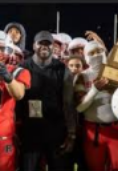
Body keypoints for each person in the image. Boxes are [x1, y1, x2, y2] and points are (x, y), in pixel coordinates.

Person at [16, 30, 77, 171]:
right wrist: (15, 131)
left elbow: (68, 103)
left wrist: (71, 134)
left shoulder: (63, 69)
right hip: (30, 132)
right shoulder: (22, 67)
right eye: (40, 43)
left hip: (55, 131)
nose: (44, 46)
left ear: (53, 47)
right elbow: (16, 103)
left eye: (48, 43)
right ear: (33, 45)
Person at [74, 39, 118, 171]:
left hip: (117, 128)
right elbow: (79, 107)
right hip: (94, 131)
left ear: (105, 52)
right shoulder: (82, 77)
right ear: (86, 57)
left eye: (99, 51)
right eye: (92, 52)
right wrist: (95, 90)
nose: (97, 55)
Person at [0, 30, 31, 171]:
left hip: (3, 136)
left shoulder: (17, 71)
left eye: (0, 48)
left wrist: (6, 76)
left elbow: (19, 94)